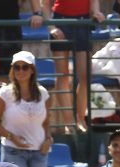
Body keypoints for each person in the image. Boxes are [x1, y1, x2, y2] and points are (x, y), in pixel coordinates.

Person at [0, 50, 51, 167]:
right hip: (13, 151)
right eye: (17, 67)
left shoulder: (44, 93)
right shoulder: (4, 93)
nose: (21, 71)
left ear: (32, 70)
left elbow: (46, 122)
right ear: (12, 69)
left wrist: (49, 139)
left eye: (25, 67)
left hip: (39, 153)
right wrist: (12, 137)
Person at [48, 0, 105, 132]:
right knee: (62, 74)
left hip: (83, 21)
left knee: (85, 75)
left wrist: (96, 12)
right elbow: (44, 4)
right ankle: (69, 122)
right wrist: (51, 27)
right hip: (60, 22)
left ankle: (80, 119)